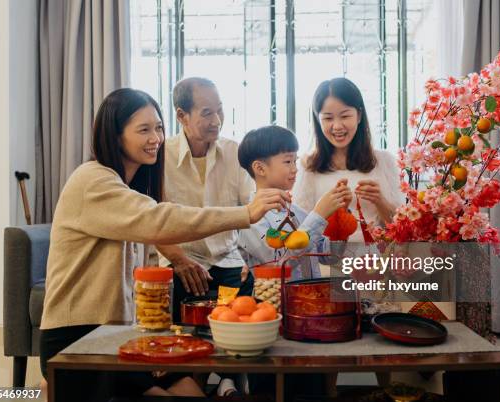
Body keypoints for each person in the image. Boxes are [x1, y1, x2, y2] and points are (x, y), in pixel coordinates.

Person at [39, 88, 289, 402]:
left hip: (117, 336)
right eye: (143, 130)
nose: (155, 137)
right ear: (115, 136)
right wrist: (245, 214)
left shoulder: (127, 184)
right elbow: (160, 219)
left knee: (192, 392)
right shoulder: (93, 181)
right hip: (79, 338)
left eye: (158, 128)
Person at [156, 77, 255, 318]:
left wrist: (249, 258)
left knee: (232, 318)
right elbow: (150, 218)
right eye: (207, 113)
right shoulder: (161, 157)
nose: (217, 120)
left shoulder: (234, 152)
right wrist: (178, 259)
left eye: (219, 109)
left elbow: (253, 207)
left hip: (227, 263)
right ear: (182, 116)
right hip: (181, 262)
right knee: (184, 326)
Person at [293, 77, 405, 241]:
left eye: (345, 116)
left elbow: (402, 227)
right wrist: (325, 208)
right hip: (327, 262)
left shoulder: (383, 161)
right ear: (318, 120)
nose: (337, 126)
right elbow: (300, 230)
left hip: (375, 259)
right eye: (328, 118)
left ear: (359, 116)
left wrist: (379, 200)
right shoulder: (308, 165)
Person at [237, 125, 352, 280]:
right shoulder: (251, 220)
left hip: (309, 298)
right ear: (260, 168)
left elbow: (330, 257)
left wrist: (341, 217)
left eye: (295, 161)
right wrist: (318, 215)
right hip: (274, 302)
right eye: (287, 161)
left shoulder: (296, 211)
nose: (295, 169)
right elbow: (280, 263)